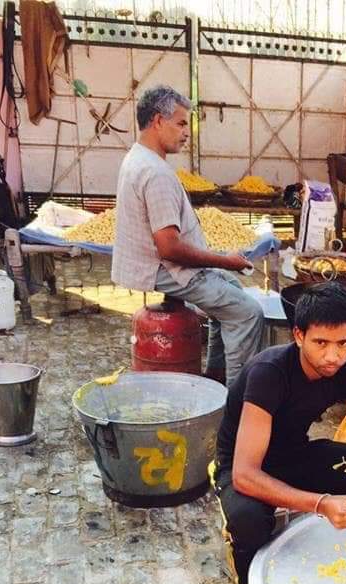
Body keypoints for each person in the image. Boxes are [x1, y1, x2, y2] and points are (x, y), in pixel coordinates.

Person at [213, 282, 346, 584]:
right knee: (248, 521)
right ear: (299, 336)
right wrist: (321, 503)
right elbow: (244, 474)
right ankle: (250, 582)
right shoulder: (269, 373)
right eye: (321, 343)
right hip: (245, 467)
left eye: (343, 343)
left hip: (299, 456)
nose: (333, 356)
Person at [111, 85, 263, 386]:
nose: (186, 132)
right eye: (181, 123)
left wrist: (223, 268)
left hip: (156, 263)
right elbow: (169, 248)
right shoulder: (155, 173)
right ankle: (239, 402)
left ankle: (217, 377)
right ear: (157, 121)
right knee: (248, 313)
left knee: (231, 289)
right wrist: (224, 261)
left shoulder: (138, 157)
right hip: (165, 269)